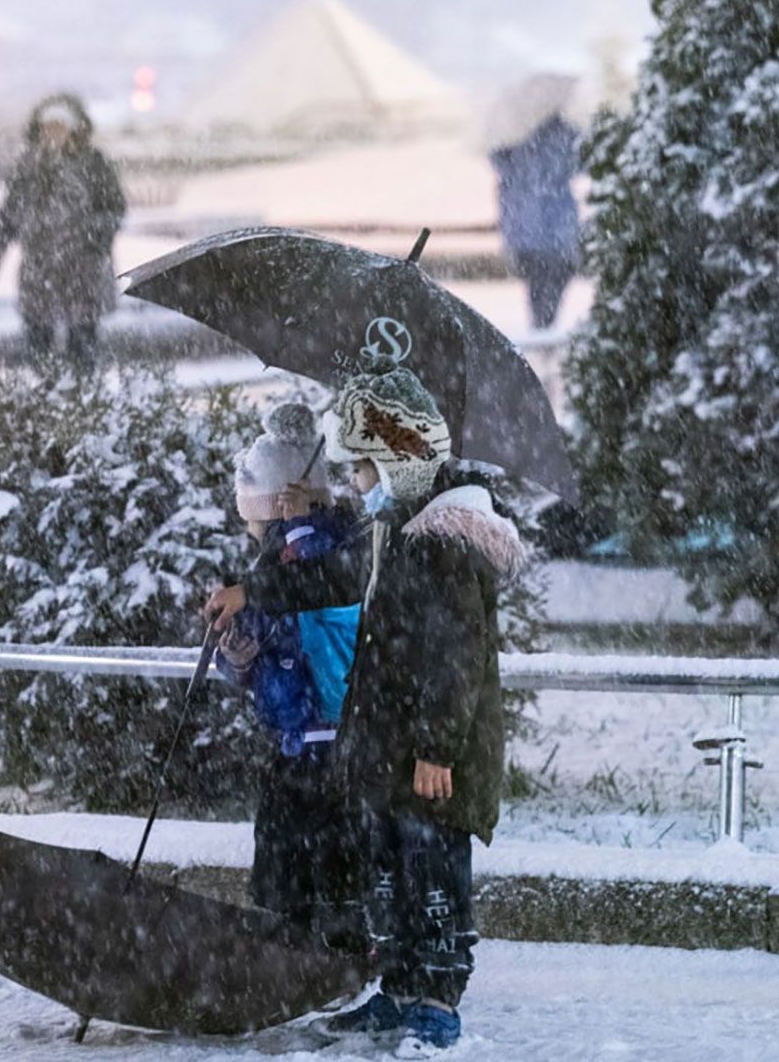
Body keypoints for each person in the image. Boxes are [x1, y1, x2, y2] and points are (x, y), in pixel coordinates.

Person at [311, 359, 526, 1057]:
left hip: (427, 754)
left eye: (363, 468)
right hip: (389, 744)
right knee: (392, 870)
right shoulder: (396, 529)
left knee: (432, 871)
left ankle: (437, 992)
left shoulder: (440, 538)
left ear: (397, 460)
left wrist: (436, 745)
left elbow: (455, 654)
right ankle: (399, 983)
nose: (354, 483)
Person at [209, 402, 365, 947]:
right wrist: (240, 657)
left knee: (330, 851)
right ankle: (285, 939)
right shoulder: (268, 567)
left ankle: (337, 944)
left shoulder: (329, 546)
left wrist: (303, 521)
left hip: (331, 735)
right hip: (289, 737)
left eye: (250, 513)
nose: (247, 525)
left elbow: (327, 592)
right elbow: (253, 654)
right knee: (281, 849)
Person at [0, 93, 125, 361]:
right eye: (49, 127)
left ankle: (80, 396)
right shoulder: (27, 167)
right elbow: (9, 215)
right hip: (39, 268)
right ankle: (45, 395)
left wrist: (93, 237)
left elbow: (115, 210)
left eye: (60, 127)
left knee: (83, 347)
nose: (53, 134)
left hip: (84, 270)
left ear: (73, 130)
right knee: (38, 347)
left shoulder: (94, 163)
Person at [489, 95, 581, 330]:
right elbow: (580, 163)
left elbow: (498, 162)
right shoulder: (566, 133)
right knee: (550, 280)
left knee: (538, 283)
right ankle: (545, 327)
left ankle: (542, 326)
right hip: (557, 226)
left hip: (526, 227)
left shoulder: (513, 134)